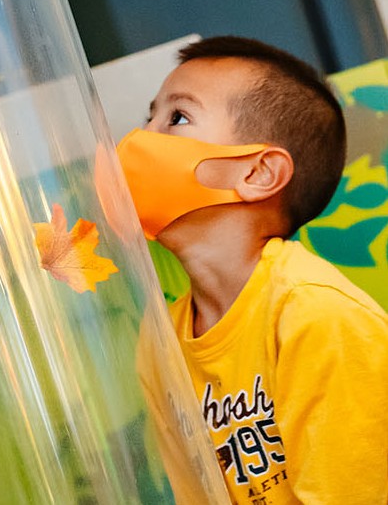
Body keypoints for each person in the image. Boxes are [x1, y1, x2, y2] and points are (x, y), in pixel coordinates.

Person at [116, 36, 388, 504]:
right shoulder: (160, 340)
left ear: (258, 174)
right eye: (149, 118)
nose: (140, 139)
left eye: (177, 118)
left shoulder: (316, 314)